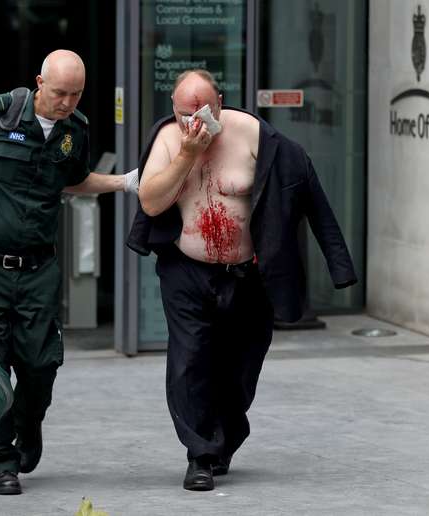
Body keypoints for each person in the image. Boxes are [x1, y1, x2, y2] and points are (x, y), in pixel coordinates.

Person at [130, 69, 357, 491]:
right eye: (183, 114)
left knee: (241, 367)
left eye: (201, 112)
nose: (193, 123)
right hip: (186, 269)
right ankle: (199, 455)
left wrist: (339, 268)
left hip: (247, 273)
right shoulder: (167, 139)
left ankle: (225, 438)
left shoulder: (258, 138)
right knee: (189, 361)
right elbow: (150, 200)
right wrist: (185, 155)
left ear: (219, 102)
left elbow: (314, 200)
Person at [0, 49, 139, 495]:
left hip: (38, 270)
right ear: (39, 83)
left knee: (40, 366)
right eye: (59, 93)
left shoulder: (76, 130)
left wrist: (123, 182)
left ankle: (29, 424)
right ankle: (0, 461)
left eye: (76, 94)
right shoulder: (0, 111)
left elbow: (72, 178)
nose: (67, 102)